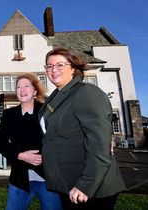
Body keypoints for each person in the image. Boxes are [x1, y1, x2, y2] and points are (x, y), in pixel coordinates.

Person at [39, 47, 126, 210]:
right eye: (49, 66)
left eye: (59, 65)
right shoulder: (56, 96)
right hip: (67, 181)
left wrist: (86, 184)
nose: (53, 70)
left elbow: (99, 144)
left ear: (73, 68)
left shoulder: (86, 93)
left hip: (90, 186)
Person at [0, 73, 62, 210]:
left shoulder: (47, 112)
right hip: (19, 179)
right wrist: (21, 155)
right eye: (18, 87)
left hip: (48, 178)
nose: (22, 90)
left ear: (35, 90)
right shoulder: (9, 115)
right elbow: (1, 144)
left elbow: (59, 139)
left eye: (27, 86)